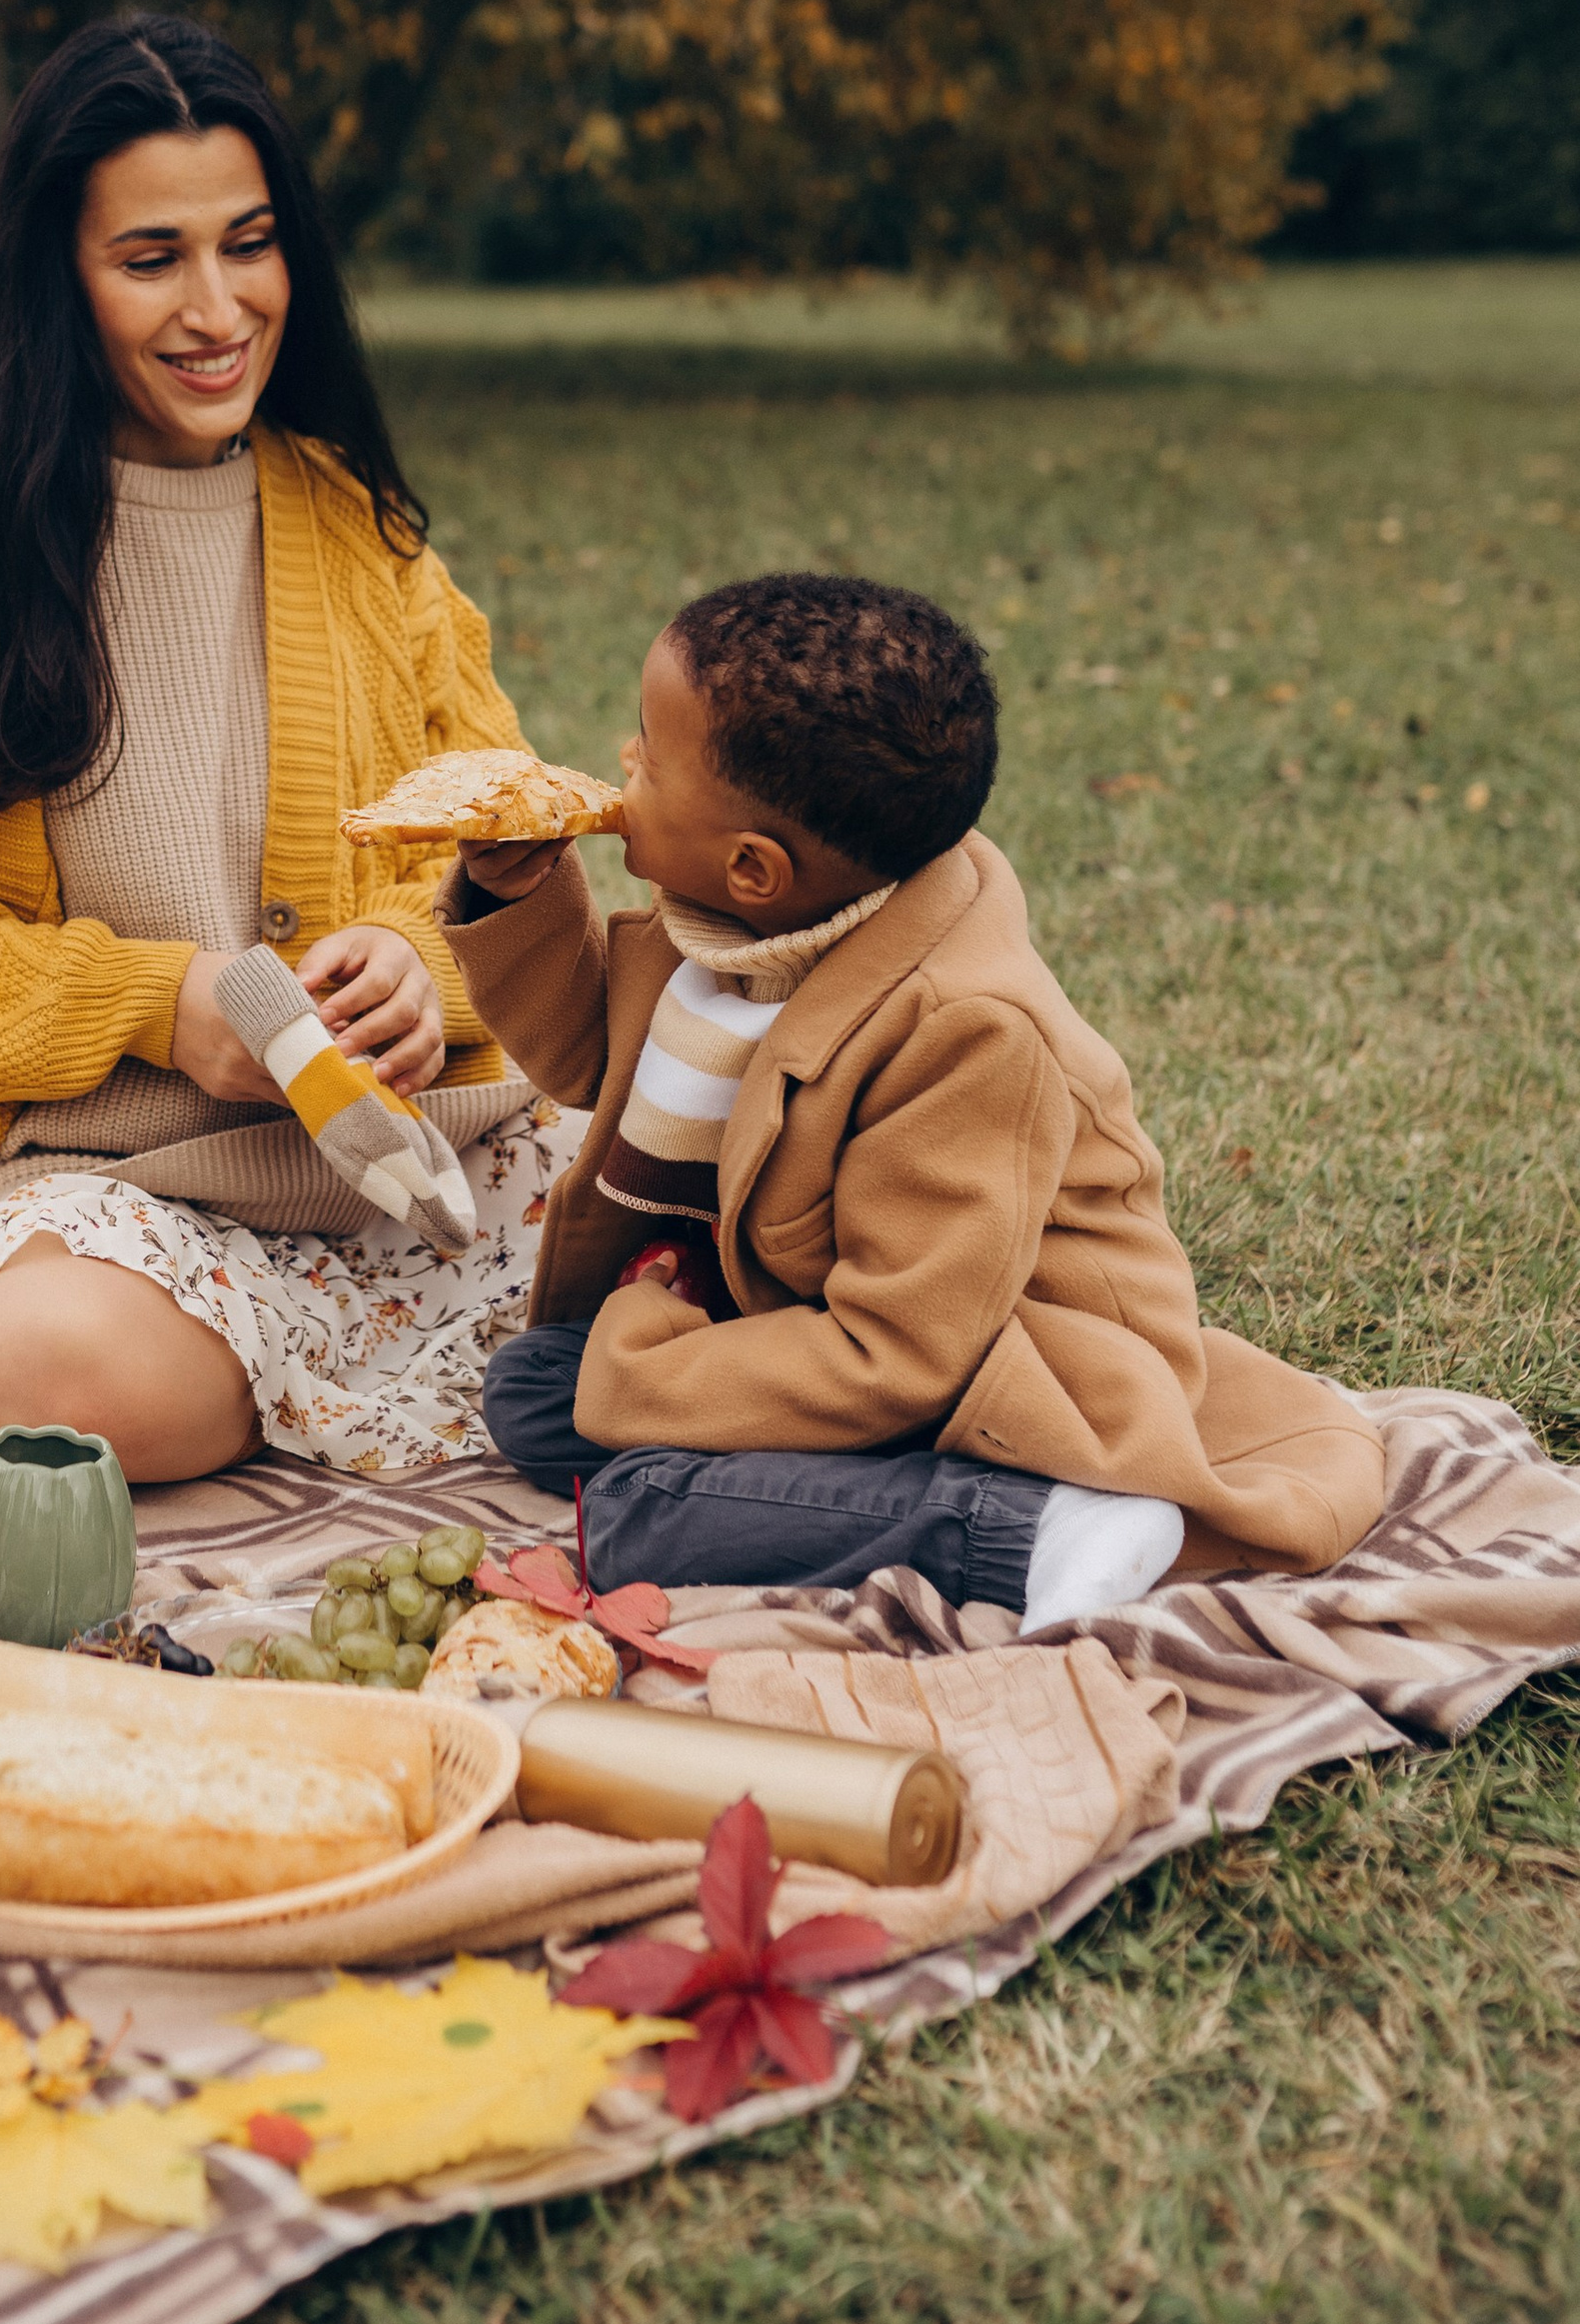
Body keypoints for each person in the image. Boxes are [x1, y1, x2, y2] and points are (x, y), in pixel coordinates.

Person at [0, 13, 563, 1488]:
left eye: (250, 245)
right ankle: (464, 1363)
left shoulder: (357, 531)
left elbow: (501, 847)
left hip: (401, 1166)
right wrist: (156, 1006)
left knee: (740, 1171)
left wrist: (421, 961)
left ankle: (379, 1357)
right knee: (61, 1369)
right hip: (87, 1203)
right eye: (152, 259)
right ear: (57, 278)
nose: (219, 308)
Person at [454, 573, 1387, 1629]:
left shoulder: (967, 1032)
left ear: (754, 866)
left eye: (650, 759)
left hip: (997, 1364)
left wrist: (646, 1357)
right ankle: (813, 1487)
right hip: (814, 1316)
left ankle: (1030, 1524)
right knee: (534, 1389)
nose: (624, 761)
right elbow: (599, 1058)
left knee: (637, 1512)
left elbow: (902, 1352)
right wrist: (515, 894)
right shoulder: (750, 929)